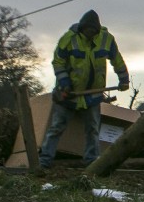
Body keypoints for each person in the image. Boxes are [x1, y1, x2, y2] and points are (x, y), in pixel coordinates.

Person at [38, 10, 130, 170]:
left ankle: (92, 163)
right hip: (67, 93)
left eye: (93, 32)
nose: (90, 35)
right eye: (87, 31)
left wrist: (124, 79)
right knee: (56, 127)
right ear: (82, 28)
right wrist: (65, 82)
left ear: (97, 30)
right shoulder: (68, 39)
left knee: (93, 129)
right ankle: (44, 161)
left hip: (92, 95)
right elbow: (58, 61)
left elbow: (117, 60)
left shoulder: (106, 39)